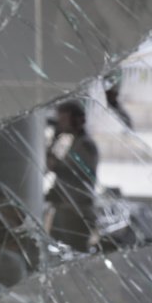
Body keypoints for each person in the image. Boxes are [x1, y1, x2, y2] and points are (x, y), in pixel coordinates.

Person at [45, 101, 99, 252]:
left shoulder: (86, 145)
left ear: (76, 120)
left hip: (77, 210)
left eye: (63, 119)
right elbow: (48, 165)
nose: (60, 123)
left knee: (74, 251)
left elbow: (66, 170)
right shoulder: (73, 143)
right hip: (65, 208)